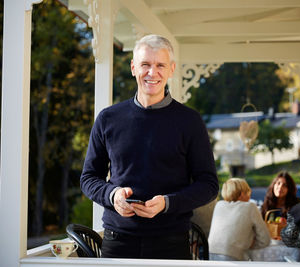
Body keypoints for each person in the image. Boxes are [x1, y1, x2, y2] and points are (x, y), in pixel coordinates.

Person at [80, 34, 219, 260]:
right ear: (133, 67)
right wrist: (112, 195)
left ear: (171, 69)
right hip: (118, 241)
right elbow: (88, 178)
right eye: (145, 64)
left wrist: (167, 203)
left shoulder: (190, 121)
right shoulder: (108, 119)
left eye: (160, 65)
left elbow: (209, 184)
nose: (152, 73)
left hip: (172, 242)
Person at [208, 178, 271, 261]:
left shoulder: (219, 205)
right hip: (234, 257)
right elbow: (265, 240)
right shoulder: (250, 207)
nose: (249, 197)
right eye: (248, 193)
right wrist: (249, 245)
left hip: (210, 255)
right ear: (242, 194)